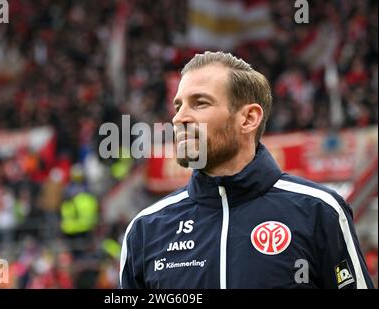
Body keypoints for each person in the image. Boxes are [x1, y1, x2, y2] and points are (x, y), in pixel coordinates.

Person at [119, 51, 374, 289]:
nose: (179, 118)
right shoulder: (145, 230)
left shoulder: (320, 211)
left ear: (249, 118)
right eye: (178, 106)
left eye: (199, 103)